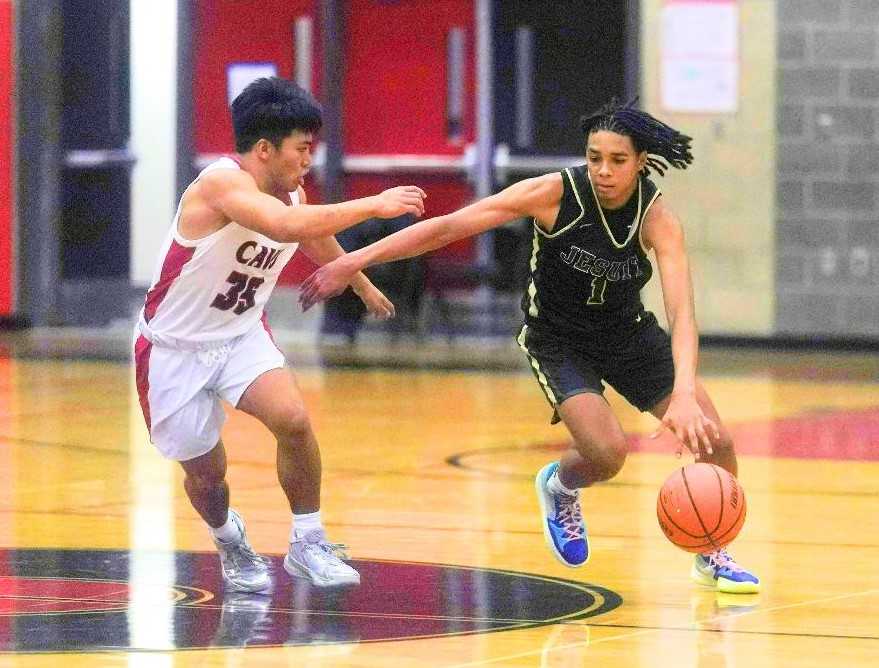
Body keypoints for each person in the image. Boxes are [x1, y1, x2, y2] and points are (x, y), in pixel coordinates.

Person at [298, 99, 760, 594]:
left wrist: (685, 392)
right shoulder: (553, 194)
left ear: (641, 162)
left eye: (618, 160)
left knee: (717, 441)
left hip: (628, 334)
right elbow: (448, 227)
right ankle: (560, 485)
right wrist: (353, 262)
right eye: (595, 157)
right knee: (606, 454)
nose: (604, 171)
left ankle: (712, 550)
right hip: (558, 339)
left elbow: (682, 314)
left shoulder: (657, 217)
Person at [133, 77, 426, 591]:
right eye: (302, 148)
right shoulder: (220, 187)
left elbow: (311, 233)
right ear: (265, 149)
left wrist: (358, 282)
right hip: (174, 350)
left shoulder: (290, 190)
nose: (309, 159)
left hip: (240, 334)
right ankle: (228, 537)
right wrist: (374, 204)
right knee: (208, 478)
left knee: (293, 420)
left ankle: (308, 542)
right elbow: (285, 227)